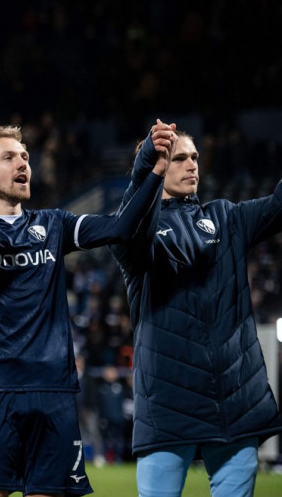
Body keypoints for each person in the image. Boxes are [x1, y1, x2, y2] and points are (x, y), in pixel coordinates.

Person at [0, 121, 173, 497]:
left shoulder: (53, 224)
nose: (22, 164)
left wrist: (155, 172)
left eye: (25, 157)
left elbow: (121, 228)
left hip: (53, 389)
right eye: (9, 157)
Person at [109, 122, 282, 497]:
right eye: (179, 158)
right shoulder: (140, 229)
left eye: (195, 158)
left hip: (236, 404)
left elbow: (279, 205)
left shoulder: (227, 217)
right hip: (170, 404)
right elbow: (124, 233)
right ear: (158, 166)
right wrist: (144, 166)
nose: (192, 165)